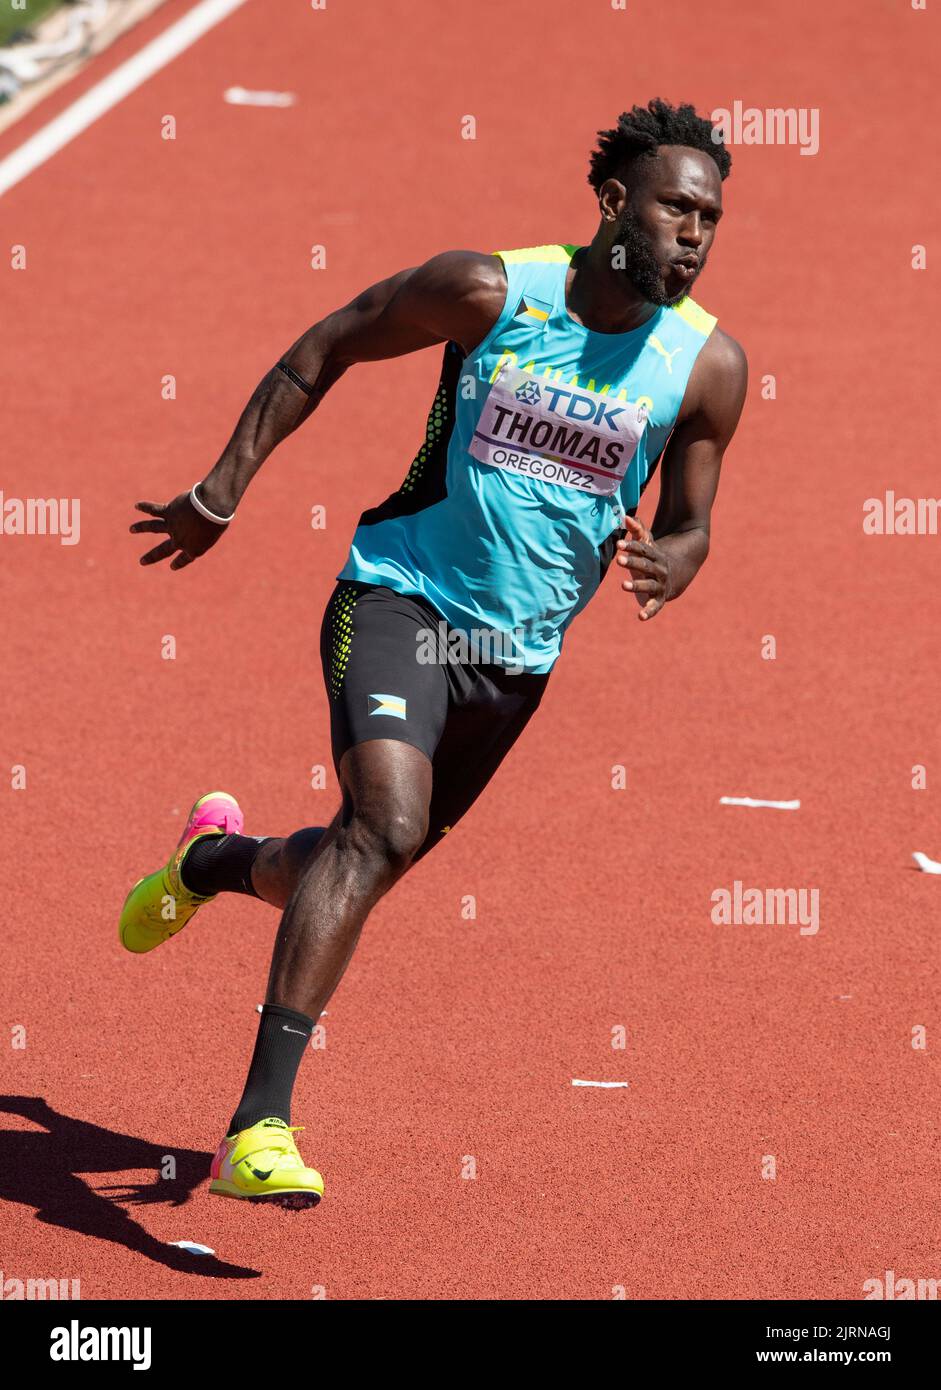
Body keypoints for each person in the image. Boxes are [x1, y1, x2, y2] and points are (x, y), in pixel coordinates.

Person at [121, 99, 748, 1209]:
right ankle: (258, 1125)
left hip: (517, 664)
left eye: (709, 217)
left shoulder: (705, 367)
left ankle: (211, 862)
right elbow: (330, 341)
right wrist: (224, 488)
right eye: (674, 208)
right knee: (384, 825)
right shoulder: (488, 293)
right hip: (400, 595)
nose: (693, 234)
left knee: (356, 863)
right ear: (612, 201)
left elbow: (692, 514)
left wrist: (683, 558)